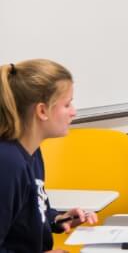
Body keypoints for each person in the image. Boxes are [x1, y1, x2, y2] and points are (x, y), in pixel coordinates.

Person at [0, 60, 97, 253]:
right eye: (67, 104)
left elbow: (30, 214)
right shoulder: (8, 163)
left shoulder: (33, 152)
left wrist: (58, 219)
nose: (74, 112)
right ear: (42, 111)